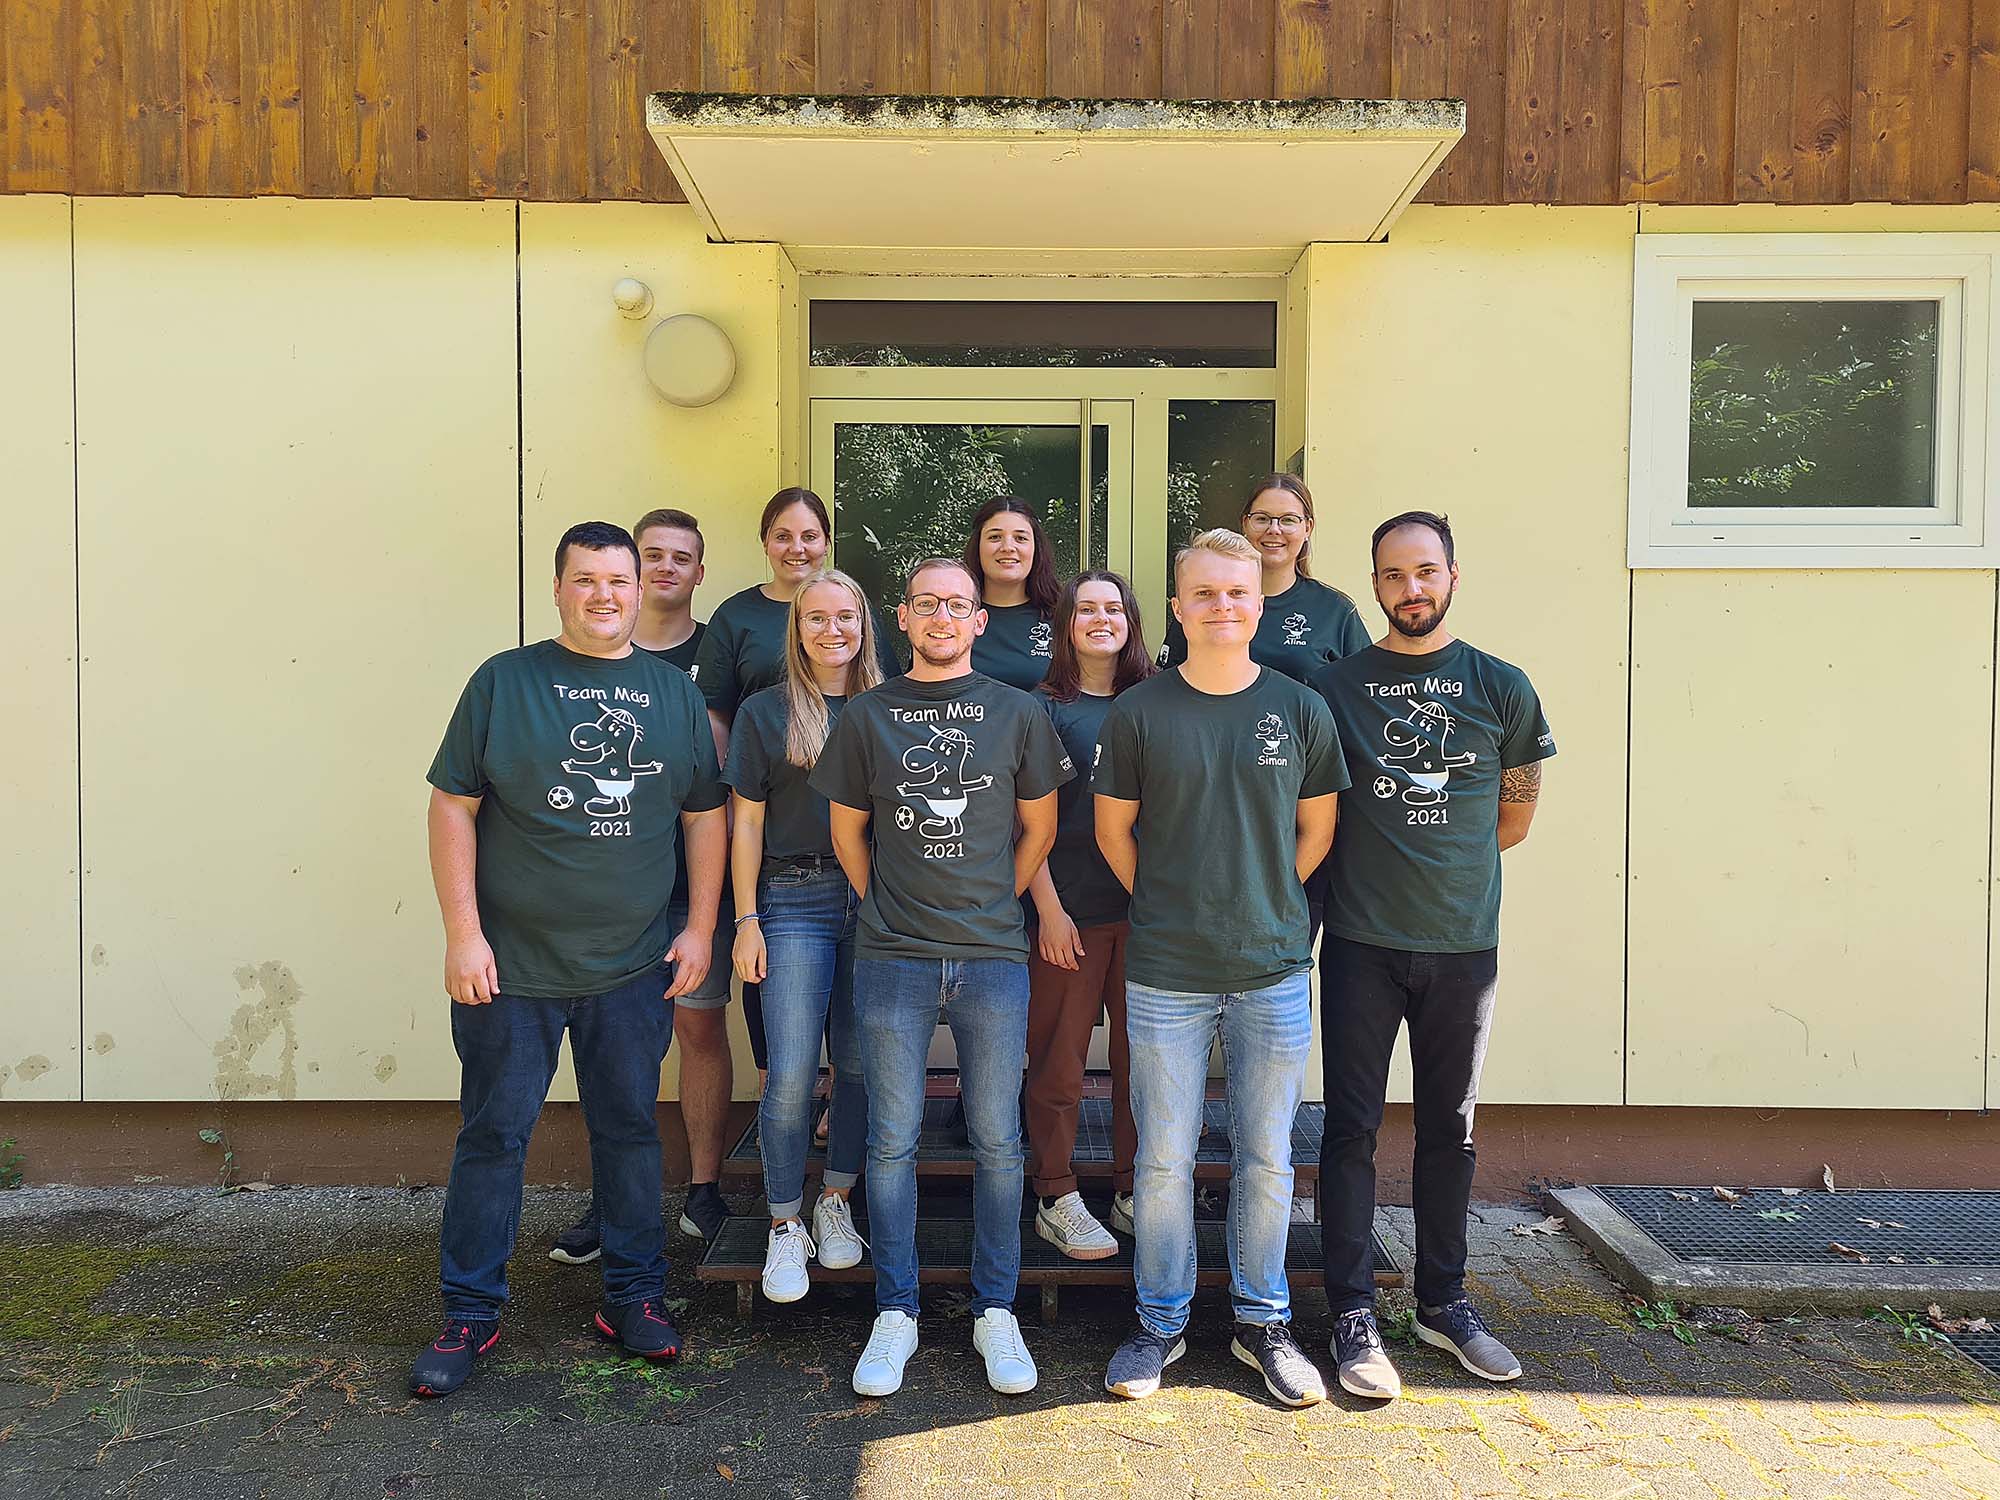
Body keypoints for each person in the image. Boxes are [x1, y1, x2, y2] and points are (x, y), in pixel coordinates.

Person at [411, 521, 725, 1399]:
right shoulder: (504, 682)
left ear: (641, 590)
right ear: (557, 589)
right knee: (493, 1137)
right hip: (510, 970)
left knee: (628, 1133)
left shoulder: (672, 694)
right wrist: (463, 933)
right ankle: (470, 1311)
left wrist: (701, 928)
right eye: (585, 580)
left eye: (618, 581)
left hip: (633, 966)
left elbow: (704, 816)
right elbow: (451, 805)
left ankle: (633, 1297)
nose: (604, 595)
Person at [1096, 529, 1346, 1408]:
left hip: (1272, 967)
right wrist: (1174, 902)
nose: (1222, 606)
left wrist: (1262, 899)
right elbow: (1114, 833)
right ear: (1177, 607)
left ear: (1259, 604)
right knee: (1163, 1161)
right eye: (1204, 593)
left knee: (1266, 1156)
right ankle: (1159, 1321)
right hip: (1166, 970)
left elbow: (1317, 830)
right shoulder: (1139, 712)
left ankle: (1262, 1321)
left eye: (1237, 592)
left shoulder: (1300, 708)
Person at [811, 557, 1073, 1399]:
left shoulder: (1019, 711)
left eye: (957, 605)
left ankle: (996, 1309)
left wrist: (996, 899)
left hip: (993, 956)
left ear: (978, 621)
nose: (942, 617)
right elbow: (847, 832)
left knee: (997, 1140)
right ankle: (897, 1310)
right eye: (926, 604)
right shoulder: (867, 714)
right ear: (903, 617)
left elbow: (1040, 828)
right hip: (892, 956)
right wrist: (884, 905)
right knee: (892, 1140)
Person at [1310, 511, 1554, 1400]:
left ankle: (1443, 1304)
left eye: (1425, 571)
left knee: (1451, 1129)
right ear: (1374, 583)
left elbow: (1513, 817)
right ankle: (1351, 1313)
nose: (1410, 588)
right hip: (1361, 943)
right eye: (1392, 574)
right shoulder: (1335, 689)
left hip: (1463, 946)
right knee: (1351, 1129)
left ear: (1453, 576)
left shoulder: (1502, 686)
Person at [546, 509, 734, 1266]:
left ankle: (703, 1189)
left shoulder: (716, 651)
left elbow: (720, 784)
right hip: (611, 894)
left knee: (698, 1029)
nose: (664, 569)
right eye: (651, 556)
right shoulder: (578, 659)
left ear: (699, 572)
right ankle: (615, 1199)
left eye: (680, 558)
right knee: (615, 1048)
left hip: (693, 888)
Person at [723, 568, 884, 1303]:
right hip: (793, 898)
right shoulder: (766, 712)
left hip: (877, 900)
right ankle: (785, 1222)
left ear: (864, 624)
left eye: (845, 616)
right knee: (790, 1073)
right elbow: (746, 822)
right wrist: (745, 919)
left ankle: (837, 1199)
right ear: (797, 629)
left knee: (859, 1064)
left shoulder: (891, 705)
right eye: (816, 617)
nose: (832, 630)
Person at [1022, 571, 1153, 1260]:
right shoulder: (1039, 710)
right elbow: (1023, 823)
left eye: (1114, 608)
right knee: (1059, 1063)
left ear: (1131, 622)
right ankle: (1056, 1193)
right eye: (1086, 609)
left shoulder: (1161, 700)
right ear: (1066, 625)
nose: (1101, 619)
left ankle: (1134, 1189)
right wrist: (1046, 907)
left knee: (1144, 1064)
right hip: (1067, 913)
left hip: (1148, 917)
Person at [1159, 474, 1370, 682]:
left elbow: (1362, 691)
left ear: (1308, 528)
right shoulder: (1203, 606)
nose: (1274, 530)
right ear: (1245, 523)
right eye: (1262, 519)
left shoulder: (1335, 610)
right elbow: (1168, 684)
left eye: (1288, 520)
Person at [964, 496, 1061, 692]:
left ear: (1036, 548)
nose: (1008, 547)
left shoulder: (1063, 617)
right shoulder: (952, 616)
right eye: (995, 537)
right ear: (978, 546)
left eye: (1020, 538)